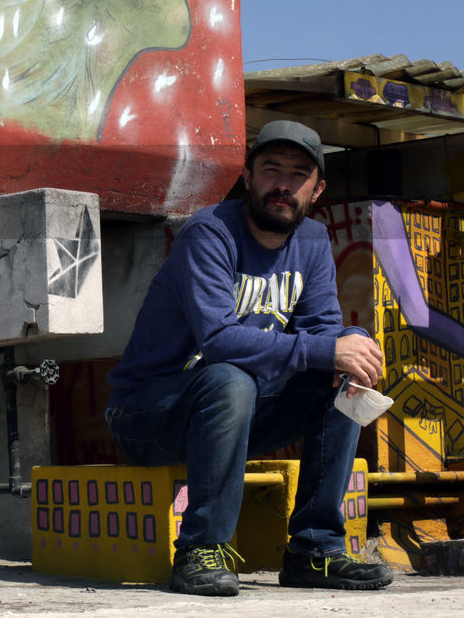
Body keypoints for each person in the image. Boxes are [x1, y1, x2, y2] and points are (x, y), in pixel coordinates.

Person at [105, 120, 393, 596]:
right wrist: (327, 348)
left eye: (299, 174)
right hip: (149, 416)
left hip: (236, 414)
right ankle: (200, 550)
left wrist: (350, 347)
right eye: (271, 170)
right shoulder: (209, 233)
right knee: (229, 377)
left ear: (317, 190)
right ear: (247, 176)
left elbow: (321, 333)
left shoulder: (313, 242)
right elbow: (219, 338)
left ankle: (314, 551)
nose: (283, 184)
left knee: (343, 377)